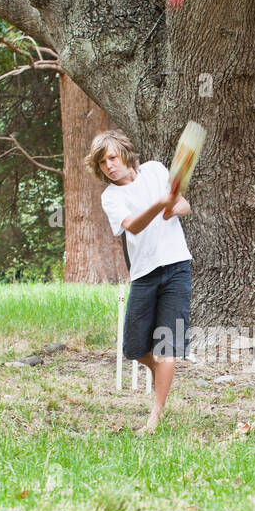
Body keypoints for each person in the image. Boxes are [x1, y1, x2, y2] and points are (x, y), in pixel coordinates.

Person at [87, 129, 191, 434]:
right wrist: (160, 205)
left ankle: (155, 417)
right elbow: (132, 226)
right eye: (102, 163)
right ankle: (161, 372)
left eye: (112, 157)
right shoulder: (111, 196)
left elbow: (184, 205)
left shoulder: (157, 170)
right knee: (133, 348)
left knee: (168, 346)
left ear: (125, 153)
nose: (109, 166)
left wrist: (173, 208)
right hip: (144, 274)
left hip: (177, 266)